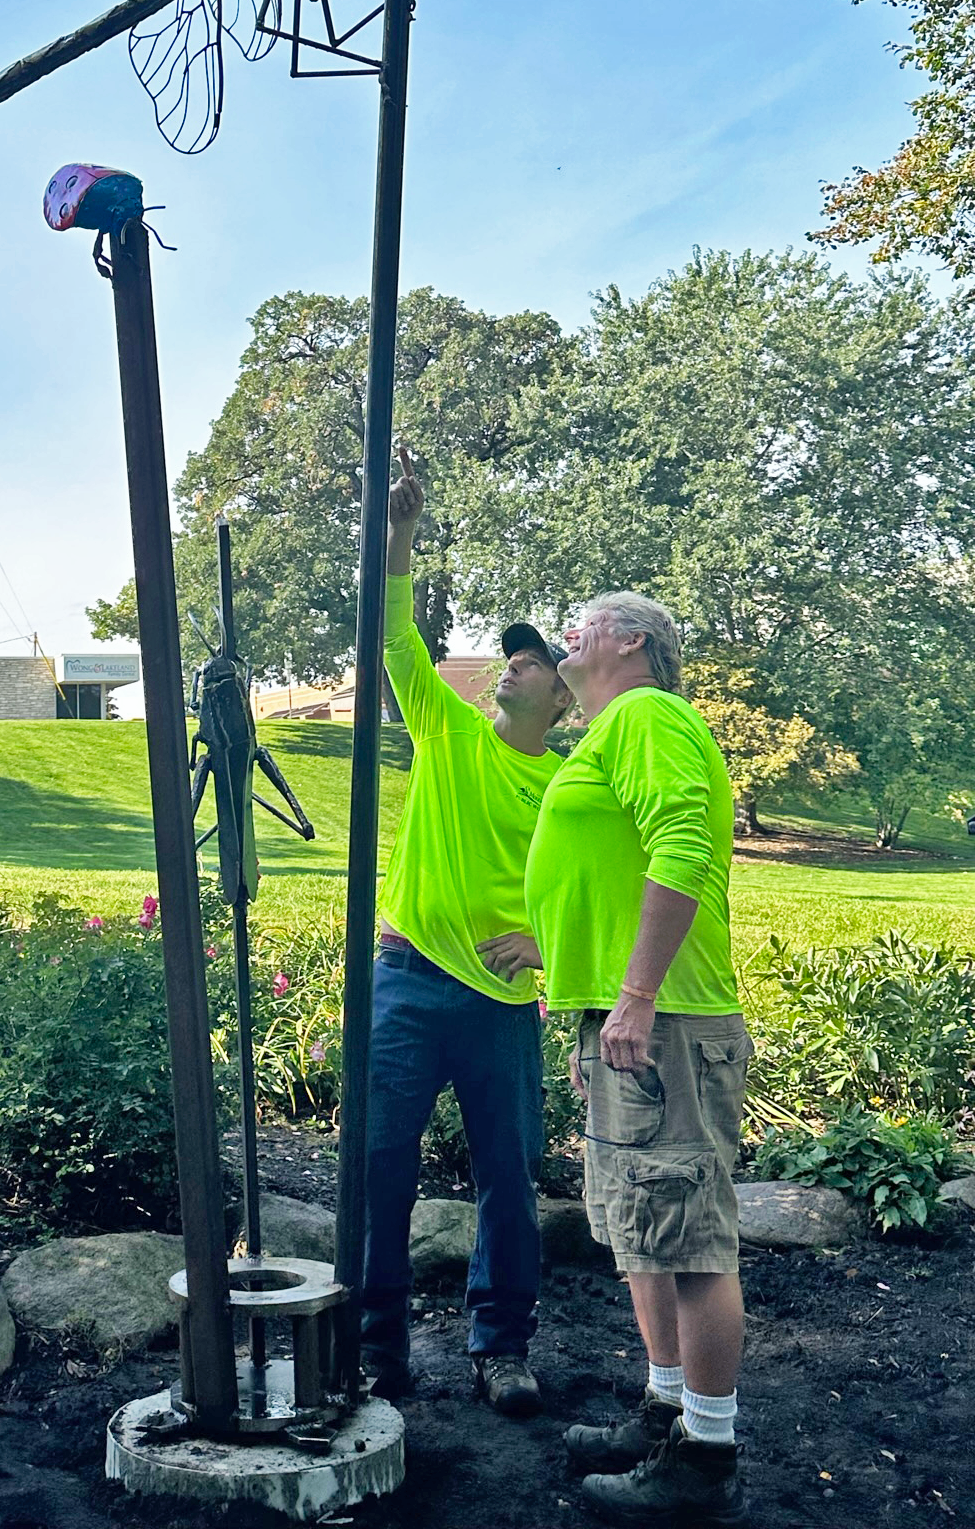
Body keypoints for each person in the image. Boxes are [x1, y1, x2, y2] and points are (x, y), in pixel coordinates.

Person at [514, 592, 750, 1527]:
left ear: (633, 641)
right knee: (643, 1230)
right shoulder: (615, 730)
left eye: (583, 619)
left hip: (669, 1018)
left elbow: (684, 848)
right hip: (624, 1020)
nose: (566, 632)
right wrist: (587, 998)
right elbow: (605, 872)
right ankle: (666, 1408)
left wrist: (640, 997)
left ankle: (707, 1454)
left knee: (689, 1241)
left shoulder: (649, 715)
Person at [364, 446, 572, 1416]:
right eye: (512, 653)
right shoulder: (446, 729)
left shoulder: (574, 787)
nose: (512, 664)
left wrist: (547, 948)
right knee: (380, 1162)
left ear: (563, 698)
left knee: (506, 1178)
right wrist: (400, 534)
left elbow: (605, 892)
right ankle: (378, 1349)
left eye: (532, 661)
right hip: (406, 977)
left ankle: (501, 1348)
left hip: (498, 1003)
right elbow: (393, 637)